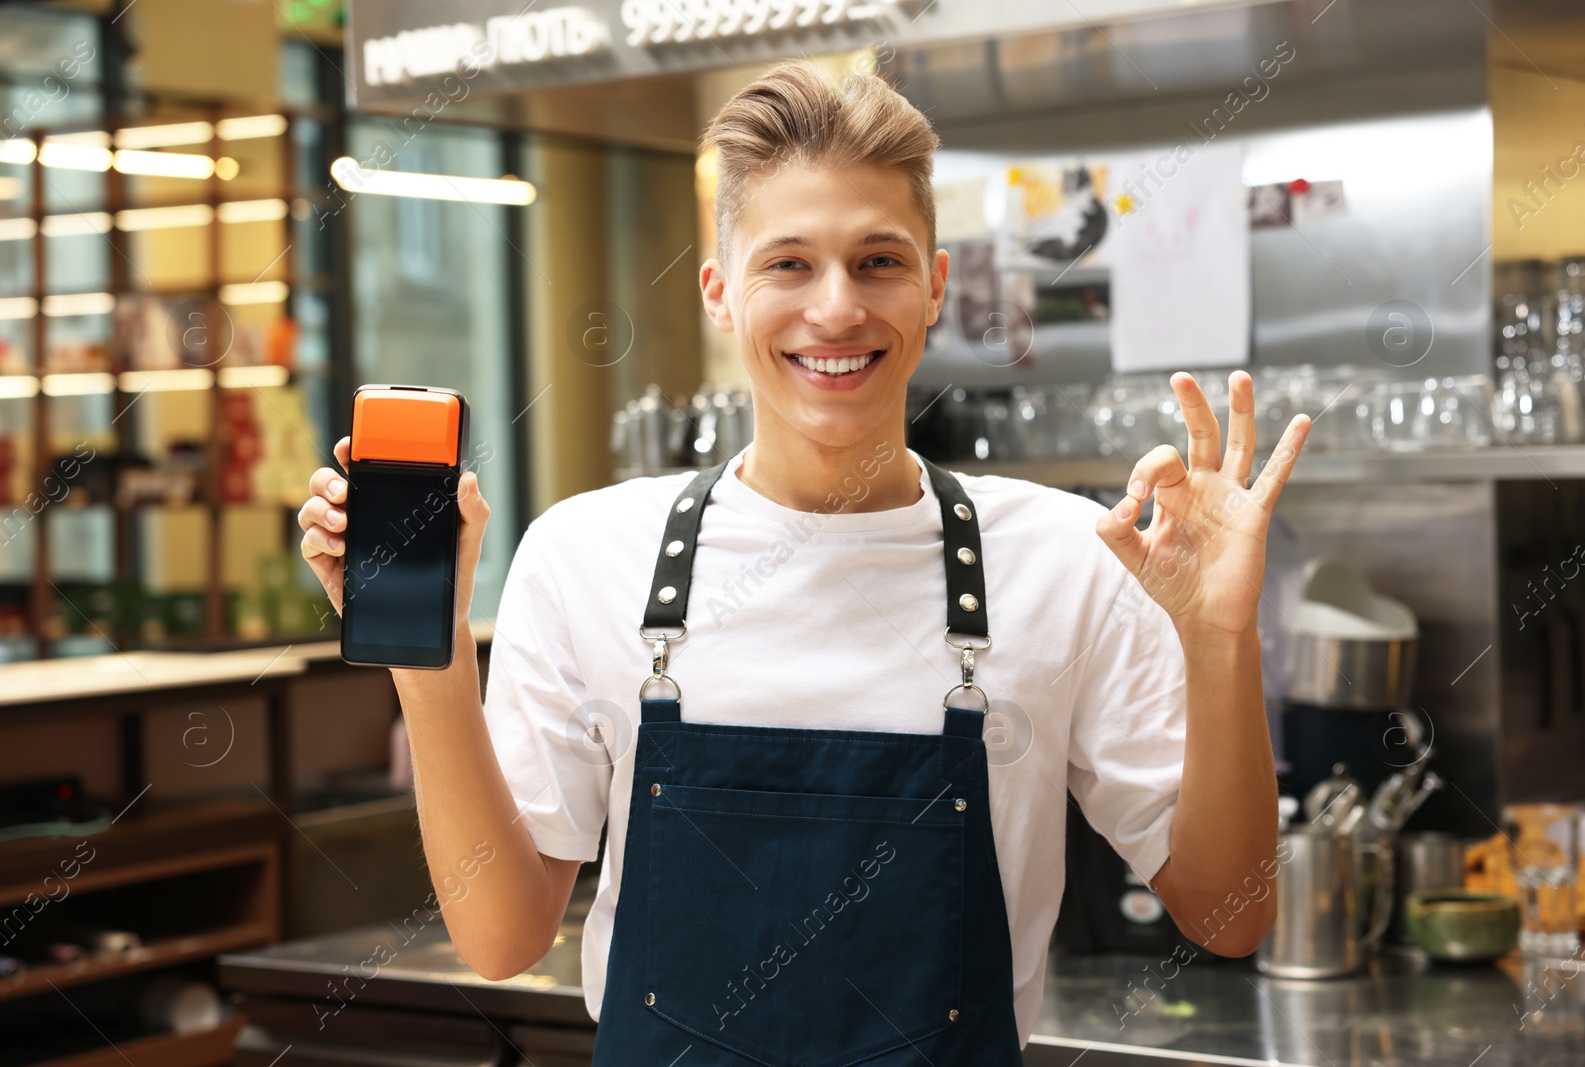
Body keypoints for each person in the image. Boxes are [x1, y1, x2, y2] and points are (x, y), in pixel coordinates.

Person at [299, 59, 1309, 1062]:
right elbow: (501, 934)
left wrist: (1218, 637)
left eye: (878, 260)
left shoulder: (1061, 559)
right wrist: (428, 663)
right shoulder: (585, 553)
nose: (835, 309)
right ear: (720, 293)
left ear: (934, 287)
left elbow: (1227, 915)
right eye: (788, 263)